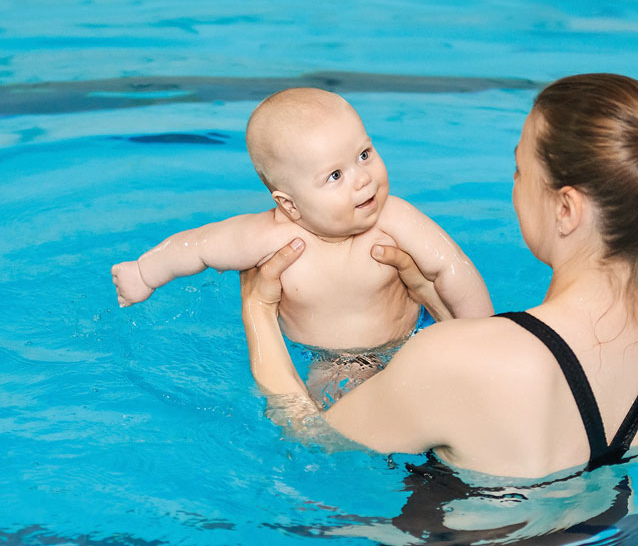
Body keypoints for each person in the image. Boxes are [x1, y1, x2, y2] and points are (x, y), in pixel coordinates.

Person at [240, 73, 638, 479]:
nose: (513, 187)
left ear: (565, 208)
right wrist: (432, 296)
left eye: (519, 171)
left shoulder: (452, 361)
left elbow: (309, 438)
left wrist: (259, 309)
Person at [111, 88, 493, 404]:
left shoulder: (393, 218)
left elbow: (452, 267)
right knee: (328, 420)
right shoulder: (270, 238)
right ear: (289, 204)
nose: (363, 179)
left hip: (416, 335)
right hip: (335, 361)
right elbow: (199, 246)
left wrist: (485, 336)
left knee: (456, 379)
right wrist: (144, 273)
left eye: (364, 154)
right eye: (335, 175)